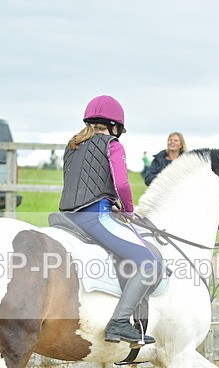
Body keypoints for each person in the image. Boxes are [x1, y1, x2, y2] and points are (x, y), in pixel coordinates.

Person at [60, 95, 162, 346]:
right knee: (149, 263)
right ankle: (119, 323)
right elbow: (122, 183)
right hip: (93, 217)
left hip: (65, 217)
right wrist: (127, 209)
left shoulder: (72, 145)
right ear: (114, 126)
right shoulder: (113, 145)